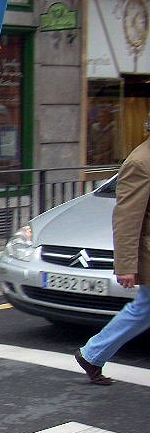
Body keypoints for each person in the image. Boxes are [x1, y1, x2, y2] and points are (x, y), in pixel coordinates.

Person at [74, 133, 150, 384]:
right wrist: (126, 265)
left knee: (144, 309)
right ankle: (93, 353)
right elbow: (127, 217)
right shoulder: (141, 161)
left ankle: (93, 354)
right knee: (143, 308)